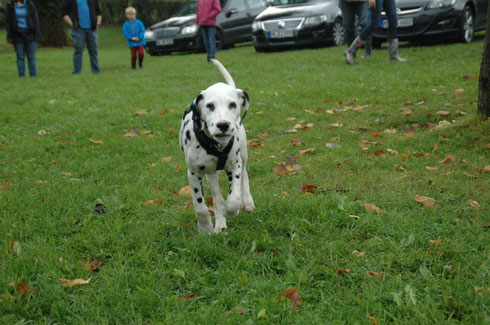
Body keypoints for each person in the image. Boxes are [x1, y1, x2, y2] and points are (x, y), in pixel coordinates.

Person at [62, 0, 102, 74]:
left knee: (93, 51)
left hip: (92, 29)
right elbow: (64, 13)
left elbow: (98, 11)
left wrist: (98, 22)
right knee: (78, 50)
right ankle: (77, 71)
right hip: (78, 29)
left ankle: (96, 71)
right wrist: (71, 23)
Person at [4, 0, 40, 77]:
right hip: (17, 35)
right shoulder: (10, 6)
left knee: (31, 56)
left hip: (30, 33)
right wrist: (9, 36)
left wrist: (37, 32)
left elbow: (35, 19)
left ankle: (33, 74)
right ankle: (21, 75)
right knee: (20, 56)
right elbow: (8, 21)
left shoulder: (29, 4)